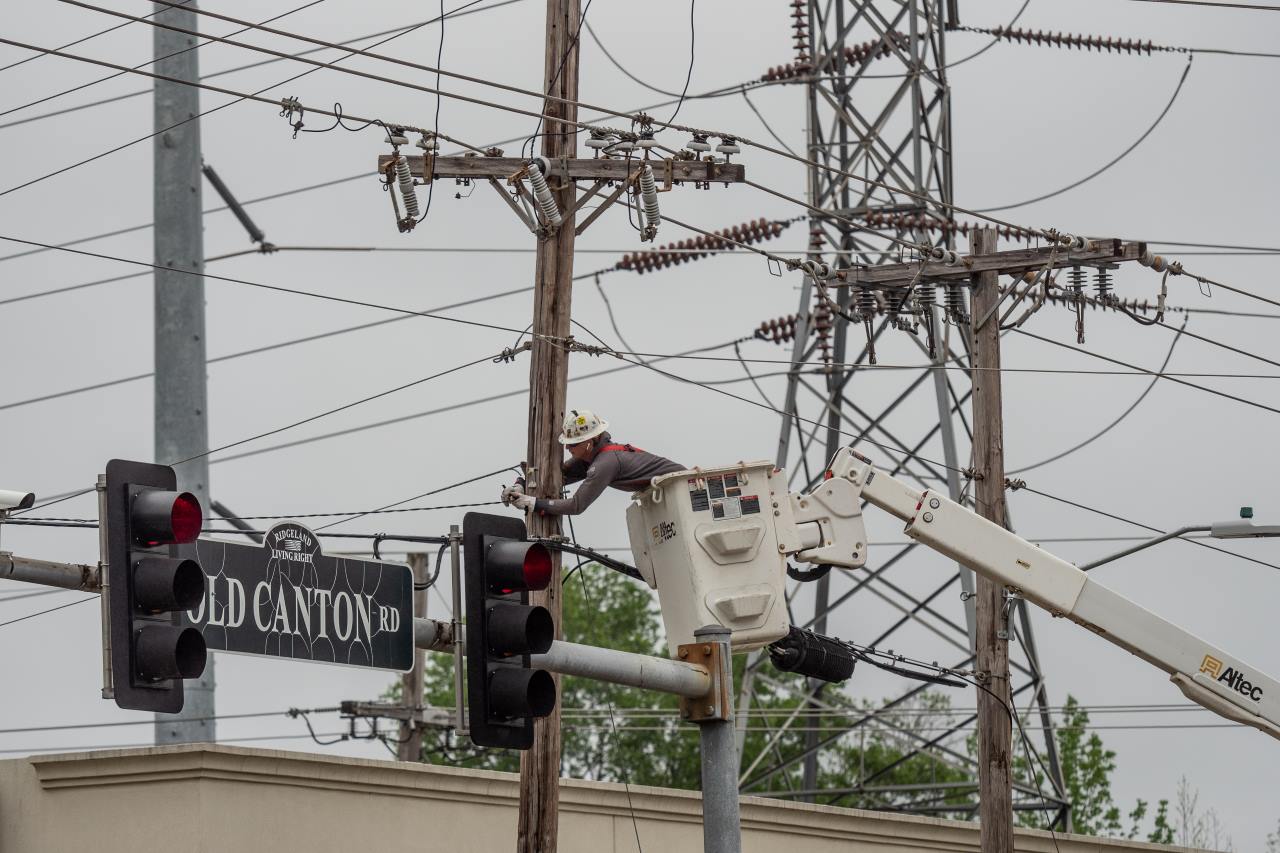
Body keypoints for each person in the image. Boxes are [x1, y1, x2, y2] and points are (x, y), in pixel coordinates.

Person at [502, 409, 685, 516]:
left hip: (682, 487)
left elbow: (577, 505)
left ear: (590, 441)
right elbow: (557, 478)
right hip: (670, 492)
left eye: (573, 444)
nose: (568, 449)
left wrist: (532, 503)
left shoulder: (606, 463)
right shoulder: (593, 457)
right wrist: (520, 486)